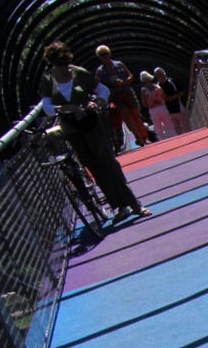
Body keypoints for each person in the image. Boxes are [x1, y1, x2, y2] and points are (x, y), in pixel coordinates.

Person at [39, 41, 150, 222]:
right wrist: (62, 108)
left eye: (67, 62)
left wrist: (97, 101)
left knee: (108, 162)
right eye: (60, 64)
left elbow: (103, 90)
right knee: (93, 166)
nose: (65, 67)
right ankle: (119, 206)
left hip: (91, 124)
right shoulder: (48, 79)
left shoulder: (79, 73)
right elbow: (46, 106)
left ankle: (134, 204)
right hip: (72, 129)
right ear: (52, 63)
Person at [94, 45, 151, 149]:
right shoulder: (100, 71)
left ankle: (144, 137)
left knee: (135, 113)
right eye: (102, 55)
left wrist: (123, 82)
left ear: (109, 53)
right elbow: (98, 85)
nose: (105, 56)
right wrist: (111, 84)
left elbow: (131, 77)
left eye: (106, 53)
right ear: (100, 57)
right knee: (126, 114)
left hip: (127, 92)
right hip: (115, 95)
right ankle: (138, 137)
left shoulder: (119, 64)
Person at [141, 72, 175, 140]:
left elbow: (143, 103)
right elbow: (164, 97)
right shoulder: (157, 86)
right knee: (168, 124)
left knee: (158, 127)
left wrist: (150, 105)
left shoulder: (144, 90)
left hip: (153, 109)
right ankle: (173, 137)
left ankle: (162, 140)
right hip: (162, 106)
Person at [154, 68, 187, 134]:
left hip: (178, 107)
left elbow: (182, 92)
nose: (160, 77)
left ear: (164, 74)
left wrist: (173, 97)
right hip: (168, 111)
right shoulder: (157, 86)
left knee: (185, 125)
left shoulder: (171, 82)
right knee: (176, 129)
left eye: (161, 75)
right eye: (158, 76)